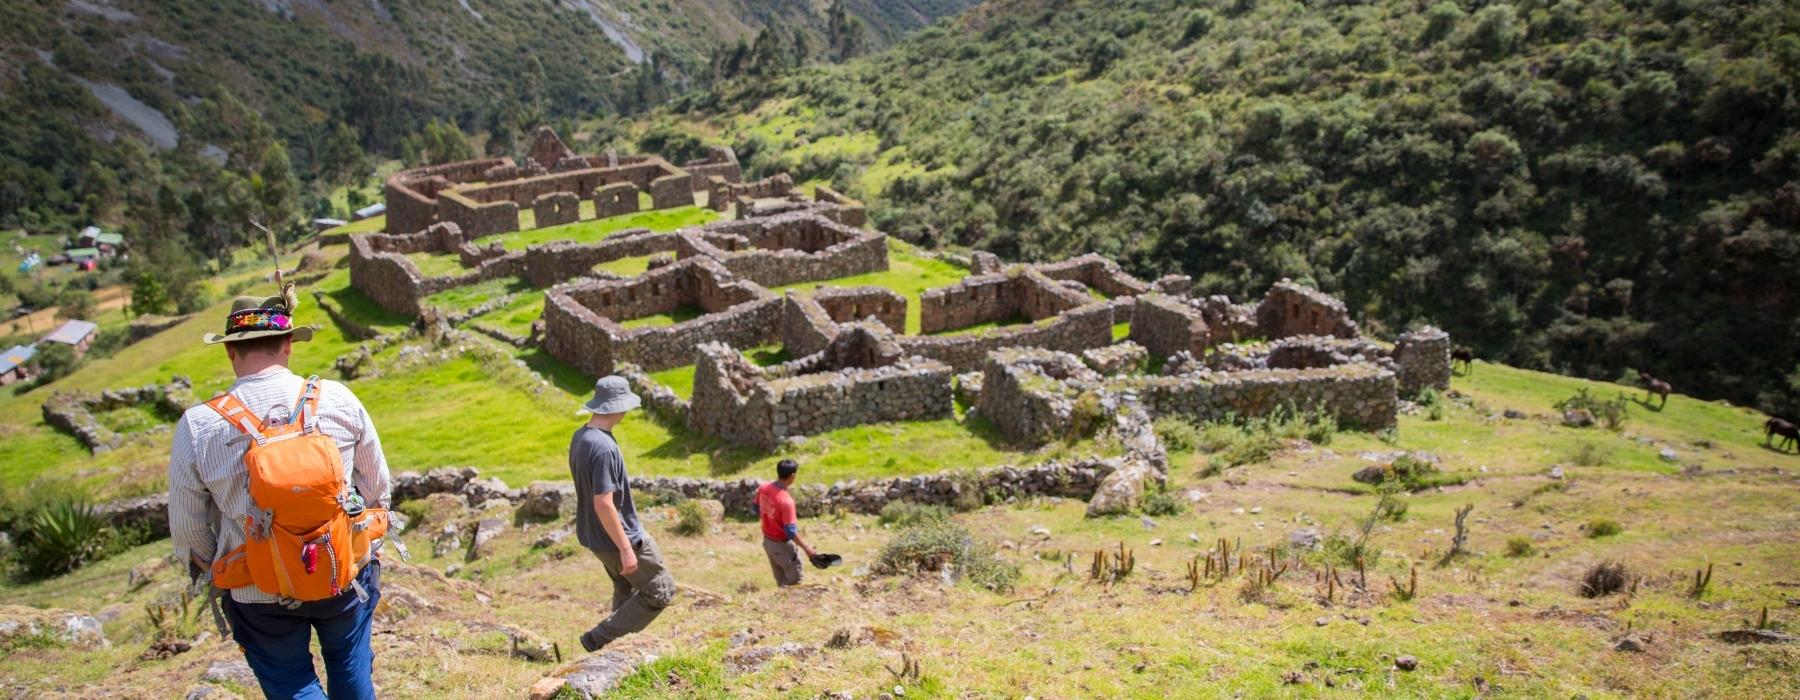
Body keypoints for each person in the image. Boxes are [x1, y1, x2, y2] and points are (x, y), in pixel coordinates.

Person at [167, 294, 391, 700]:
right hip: (341, 573)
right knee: (349, 663)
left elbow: (187, 530)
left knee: (290, 683)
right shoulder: (338, 398)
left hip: (257, 589)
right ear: (288, 344)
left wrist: (228, 563)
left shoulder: (198, 426)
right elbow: (378, 490)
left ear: (230, 351)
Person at [572, 376, 676, 653]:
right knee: (660, 591)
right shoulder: (604, 448)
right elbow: (604, 504)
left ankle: (614, 650)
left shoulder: (581, 436)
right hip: (620, 538)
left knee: (625, 588)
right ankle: (597, 640)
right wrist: (626, 548)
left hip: (595, 538)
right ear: (618, 407)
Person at [755, 459, 819, 587]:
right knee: (794, 582)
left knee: (782, 582)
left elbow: (756, 507)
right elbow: (790, 531)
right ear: (793, 476)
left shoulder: (764, 487)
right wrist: (808, 549)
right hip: (782, 546)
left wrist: (769, 519)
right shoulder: (786, 501)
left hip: (768, 543)